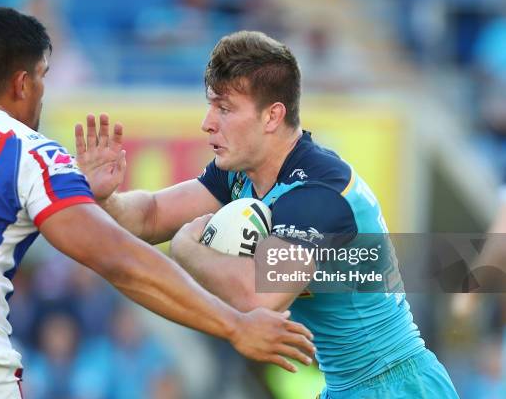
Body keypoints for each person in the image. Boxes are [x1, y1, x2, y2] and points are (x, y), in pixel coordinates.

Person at [0, 8, 315, 398]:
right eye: (43, 77)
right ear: (23, 83)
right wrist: (235, 325)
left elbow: (144, 217)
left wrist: (96, 199)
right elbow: (119, 260)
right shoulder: (27, 151)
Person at [77, 30, 460, 398]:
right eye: (211, 104)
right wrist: (105, 198)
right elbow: (150, 215)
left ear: (272, 116)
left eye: (225, 108)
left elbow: (259, 296)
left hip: (396, 386)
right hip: (347, 386)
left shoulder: (317, 192)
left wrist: (188, 249)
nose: (207, 122)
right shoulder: (241, 175)